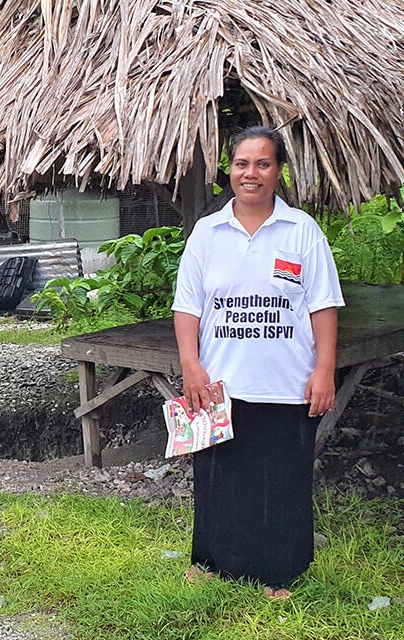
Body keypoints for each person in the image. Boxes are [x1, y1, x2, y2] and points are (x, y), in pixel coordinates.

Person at [171, 126, 345, 599]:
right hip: (219, 385)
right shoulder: (207, 234)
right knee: (216, 478)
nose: (252, 174)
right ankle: (208, 563)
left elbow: (323, 306)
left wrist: (323, 370)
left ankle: (278, 574)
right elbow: (188, 307)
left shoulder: (301, 231)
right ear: (229, 170)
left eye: (263, 164)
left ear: (278, 171)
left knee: (281, 481)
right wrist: (191, 364)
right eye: (243, 164)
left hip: (286, 383)